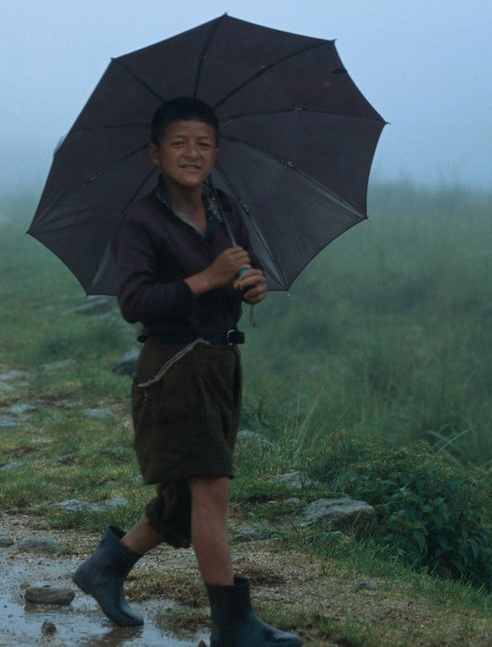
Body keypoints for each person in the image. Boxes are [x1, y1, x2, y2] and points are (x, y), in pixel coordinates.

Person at [73, 97, 303, 646]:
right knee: (212, 486)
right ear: (155, 153)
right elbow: (134, 300)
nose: (191, 153)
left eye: (203, 144)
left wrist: (253, 285)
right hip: (173, 365)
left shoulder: (225, 209)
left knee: (187, 498)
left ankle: (106, 568)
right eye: (179, 143)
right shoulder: (140, 220)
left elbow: (242, 270)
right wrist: (206, 278)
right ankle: (232, 624)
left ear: (217, 153)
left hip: (222, 364)